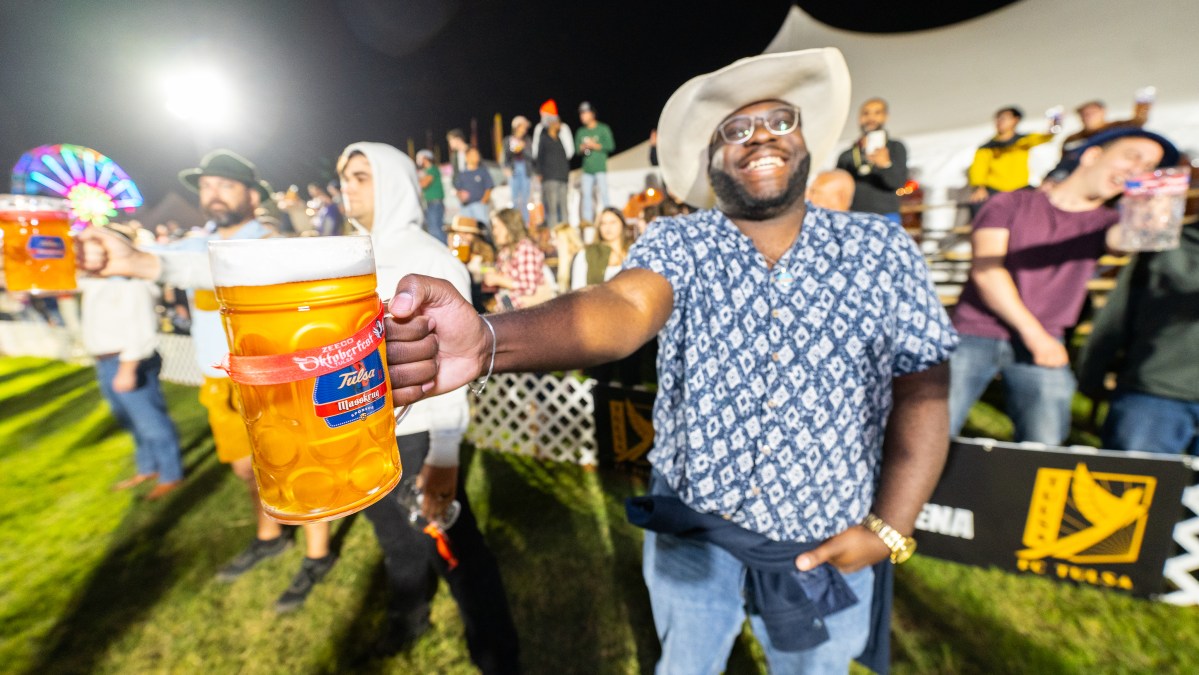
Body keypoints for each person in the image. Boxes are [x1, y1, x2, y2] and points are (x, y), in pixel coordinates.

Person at [380, 48, 957, 674]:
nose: (760, 135)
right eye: (735, 129)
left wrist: (890, 528)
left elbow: (923, 386)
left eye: (780, 120)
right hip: (695, 540)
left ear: (805, 138)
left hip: (825, 536)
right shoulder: (682, 240)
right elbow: (624, 307)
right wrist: (490, 340)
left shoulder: (878, 247)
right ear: (711, 159)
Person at [81, 150, 337, 613]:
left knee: (294, 464)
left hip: (269, 377)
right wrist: (110, 249)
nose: (212, 194)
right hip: (217, 380)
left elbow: (213, 269)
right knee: (246, 468)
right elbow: (161, 257)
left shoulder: (269, 239)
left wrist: (145, 263)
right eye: (206, 185)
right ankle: (270, 536)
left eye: (225, 184)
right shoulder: (195, 243)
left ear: (251, 194)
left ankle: (317, 553)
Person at [336, 142, 520, 671]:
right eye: (344, 175)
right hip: (365, 431)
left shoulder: (431, 259)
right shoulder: (347, 255)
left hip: (417, 438)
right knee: (394, 537)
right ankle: (409, 615)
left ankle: (497, 654)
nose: (347, 185)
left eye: (361, 175)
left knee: (457, 551)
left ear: (392, 181)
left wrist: (443, 454)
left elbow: (451, 370)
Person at [948, 127, 1178, 444]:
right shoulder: (1010, 203)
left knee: (1044, 447)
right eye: (1132, 157)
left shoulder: (1105, 224)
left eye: (1148, 167)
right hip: (976, 331)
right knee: (928, 429)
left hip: (1046, 341)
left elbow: (1124, 240)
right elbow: (988, 272)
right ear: (1092, 155)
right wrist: (1036, 337)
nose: (1138, 170)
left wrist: (1150, 216)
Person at [1076, 205, 1197, 456]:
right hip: (1157, 392)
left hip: (1156, 392)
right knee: (1127, 490)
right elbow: (1118, 313)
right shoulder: (1168, 244)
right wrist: (1093, 371)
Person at [81, 223, 184, 500]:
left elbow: (141, 328)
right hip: (107, 360)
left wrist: (127, 368)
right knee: (130, 420)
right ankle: (148, 467)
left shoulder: (132, 283)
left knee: (150, 419)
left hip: (127, 360)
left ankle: (170, 473)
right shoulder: (98, 280)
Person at [966, 106, 1055, 216]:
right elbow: (978, 169)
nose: (999, 122)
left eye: (1004, 118)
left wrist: (1054, 124)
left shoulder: (1022, 141)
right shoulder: (986, 147)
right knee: (979, 204)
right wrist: (979, 187)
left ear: (1015, 120)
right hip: (995, 189)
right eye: (997, 119)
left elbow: (1045, 137)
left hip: (1021, 187)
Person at [1046, 95, 1155, 183]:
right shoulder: (1073, 139)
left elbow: (1138, 122)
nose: (1088, 116)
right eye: (1084, 114)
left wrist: (1142, 107)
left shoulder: (1118, 128)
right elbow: (1064, 162)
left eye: (1092, 113)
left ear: (1103, 111)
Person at [835, 98, 908, 221]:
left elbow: (898, 183)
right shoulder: (847, 155)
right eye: (866, 113)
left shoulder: (895, 147)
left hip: (886, 216)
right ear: (859, 118)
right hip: (854, 216)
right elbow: (838, 188)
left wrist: (886, 165)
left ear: (885, 117)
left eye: (877, 113)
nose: (871, 118)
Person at [484, 207, 551, 312]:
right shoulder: (505, 252)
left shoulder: (525, 249)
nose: (494, 232)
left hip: (527, 316)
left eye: (497, 227)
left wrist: (498, 279)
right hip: (511, 313)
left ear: (509, 227)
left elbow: (529, 287)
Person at [532, 99, 574, 227]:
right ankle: (554, 236)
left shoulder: (561, 138)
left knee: (564, 207)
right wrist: (539, 173)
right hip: (549, 178)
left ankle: (566, 235)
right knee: (552, 209)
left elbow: (569, 153)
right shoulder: (543, 137)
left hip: (562, 177)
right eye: (556, 122)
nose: (558, 124)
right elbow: (538, 156)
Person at [575, 101, 616, 224]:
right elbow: (577, 150)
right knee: (586, 197)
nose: (582, 116)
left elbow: (611, 146)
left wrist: (595, 145)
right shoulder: (581, 132)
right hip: (587, 170)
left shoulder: (603, 128)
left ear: (592, 114)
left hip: (600, 168)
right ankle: (588, 222)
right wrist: (582, 148)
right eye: (581, 114)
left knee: (604, 194)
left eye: (585, 113)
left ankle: (609, 217)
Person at [570, 207, 629, 290]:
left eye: (613, 222)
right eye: (603, 223)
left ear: (622, 224)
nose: (608, 227)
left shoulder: (633, 252)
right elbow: (577, 288)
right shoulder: (587, 253)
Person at [503, 116, 534, 223]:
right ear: (517, 126)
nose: (525, 128)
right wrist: (506, 168)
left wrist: (523, 147)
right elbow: (505, 157)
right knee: (514, 199)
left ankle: (526, 223)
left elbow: (532, 156)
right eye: (523, 126)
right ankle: (515, 223)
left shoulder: (527, 140)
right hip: (514, 169)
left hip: (525, 169)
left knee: (525, 200)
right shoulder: (508, 140)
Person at [453, 148, 494, 226]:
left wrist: (483, 202)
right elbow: (458, 189)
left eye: (477, 154)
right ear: (467, 157)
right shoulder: (462, 174)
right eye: (473, 154)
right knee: (467, 228)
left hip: (479, 206)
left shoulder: (483, 171)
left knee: (482, 229)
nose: (477, 156)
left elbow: (489, 188)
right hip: (465, 207)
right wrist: (461, 197)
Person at [416, 149, 446, 242]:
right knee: (433, 228)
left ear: (425, 158)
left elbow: (424, 183)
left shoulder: (432, 169)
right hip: (430, 203)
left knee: (435, 230)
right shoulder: (427, 171)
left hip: (435, 203)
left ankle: (443, 252)